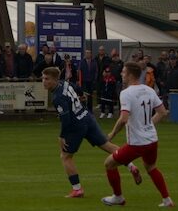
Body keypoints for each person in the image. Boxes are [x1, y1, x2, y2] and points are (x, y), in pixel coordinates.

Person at [41, 66, 135, 199]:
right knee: (107, 145)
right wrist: (81, 95)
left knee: (66, 157)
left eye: (47, 79)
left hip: (76, 125)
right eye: (43, 78)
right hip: (87, 117)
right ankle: (131, 166)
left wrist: (61, 136)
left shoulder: (57, 97)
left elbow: (66, 119)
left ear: (55, 79)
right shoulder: (65, 83)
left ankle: (77, 189)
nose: (44, 81)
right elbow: (77, 87)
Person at [101, 61, 174, 208]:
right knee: (151, 167)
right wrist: (148, 126)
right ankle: (167, 200)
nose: (121, 74)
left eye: (123, 72)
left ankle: (118, 197)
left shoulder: (126, 93)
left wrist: (112, 134)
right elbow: (162, 112)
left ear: (129, 75)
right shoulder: (148, 90)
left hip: (137, 143)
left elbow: (123, 119)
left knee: (109, 164)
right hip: (152, 140)